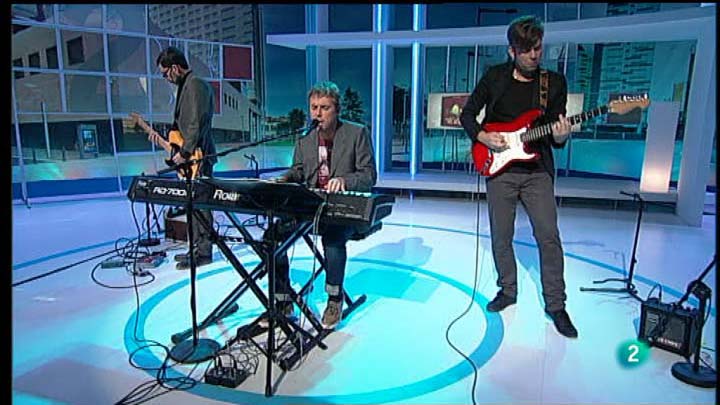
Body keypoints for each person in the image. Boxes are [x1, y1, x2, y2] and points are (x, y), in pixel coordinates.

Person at [460, 16, 577, 338]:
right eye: (527, 50)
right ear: (512, 51)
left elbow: (555, 133)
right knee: (501, 236)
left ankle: (556, 305)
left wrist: (562, 136)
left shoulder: (554, 83)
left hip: (537, 170)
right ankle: (507, 290)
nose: (535, 55)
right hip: (499, 168)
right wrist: (483, 137)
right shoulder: (494, 77)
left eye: (538, 48)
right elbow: (468, 114)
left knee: (548, 236)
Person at [264, 80, 377, 329]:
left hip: (342, 209)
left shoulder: (357, 133)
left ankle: (335, 298)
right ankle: (282, 300)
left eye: (324, 108)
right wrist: (284, 178)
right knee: (273, 236)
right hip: (310, 207)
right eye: (314, 107)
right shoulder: (304, 140)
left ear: (337, 110)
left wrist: (345, 180)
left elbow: (369, 175)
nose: (318, 113)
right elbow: (298, 171)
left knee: (333, 237)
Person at [153, 46, 217, 270]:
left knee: (201, 207)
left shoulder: (195, 84)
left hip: (199, 157)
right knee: (193, 206)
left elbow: (196, 123)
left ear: (175, 68)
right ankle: (195, 248)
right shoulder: (186, 86)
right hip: (192, 157)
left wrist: (185, 152)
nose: (166, 78)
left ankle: (204, 252)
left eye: (165, 74)